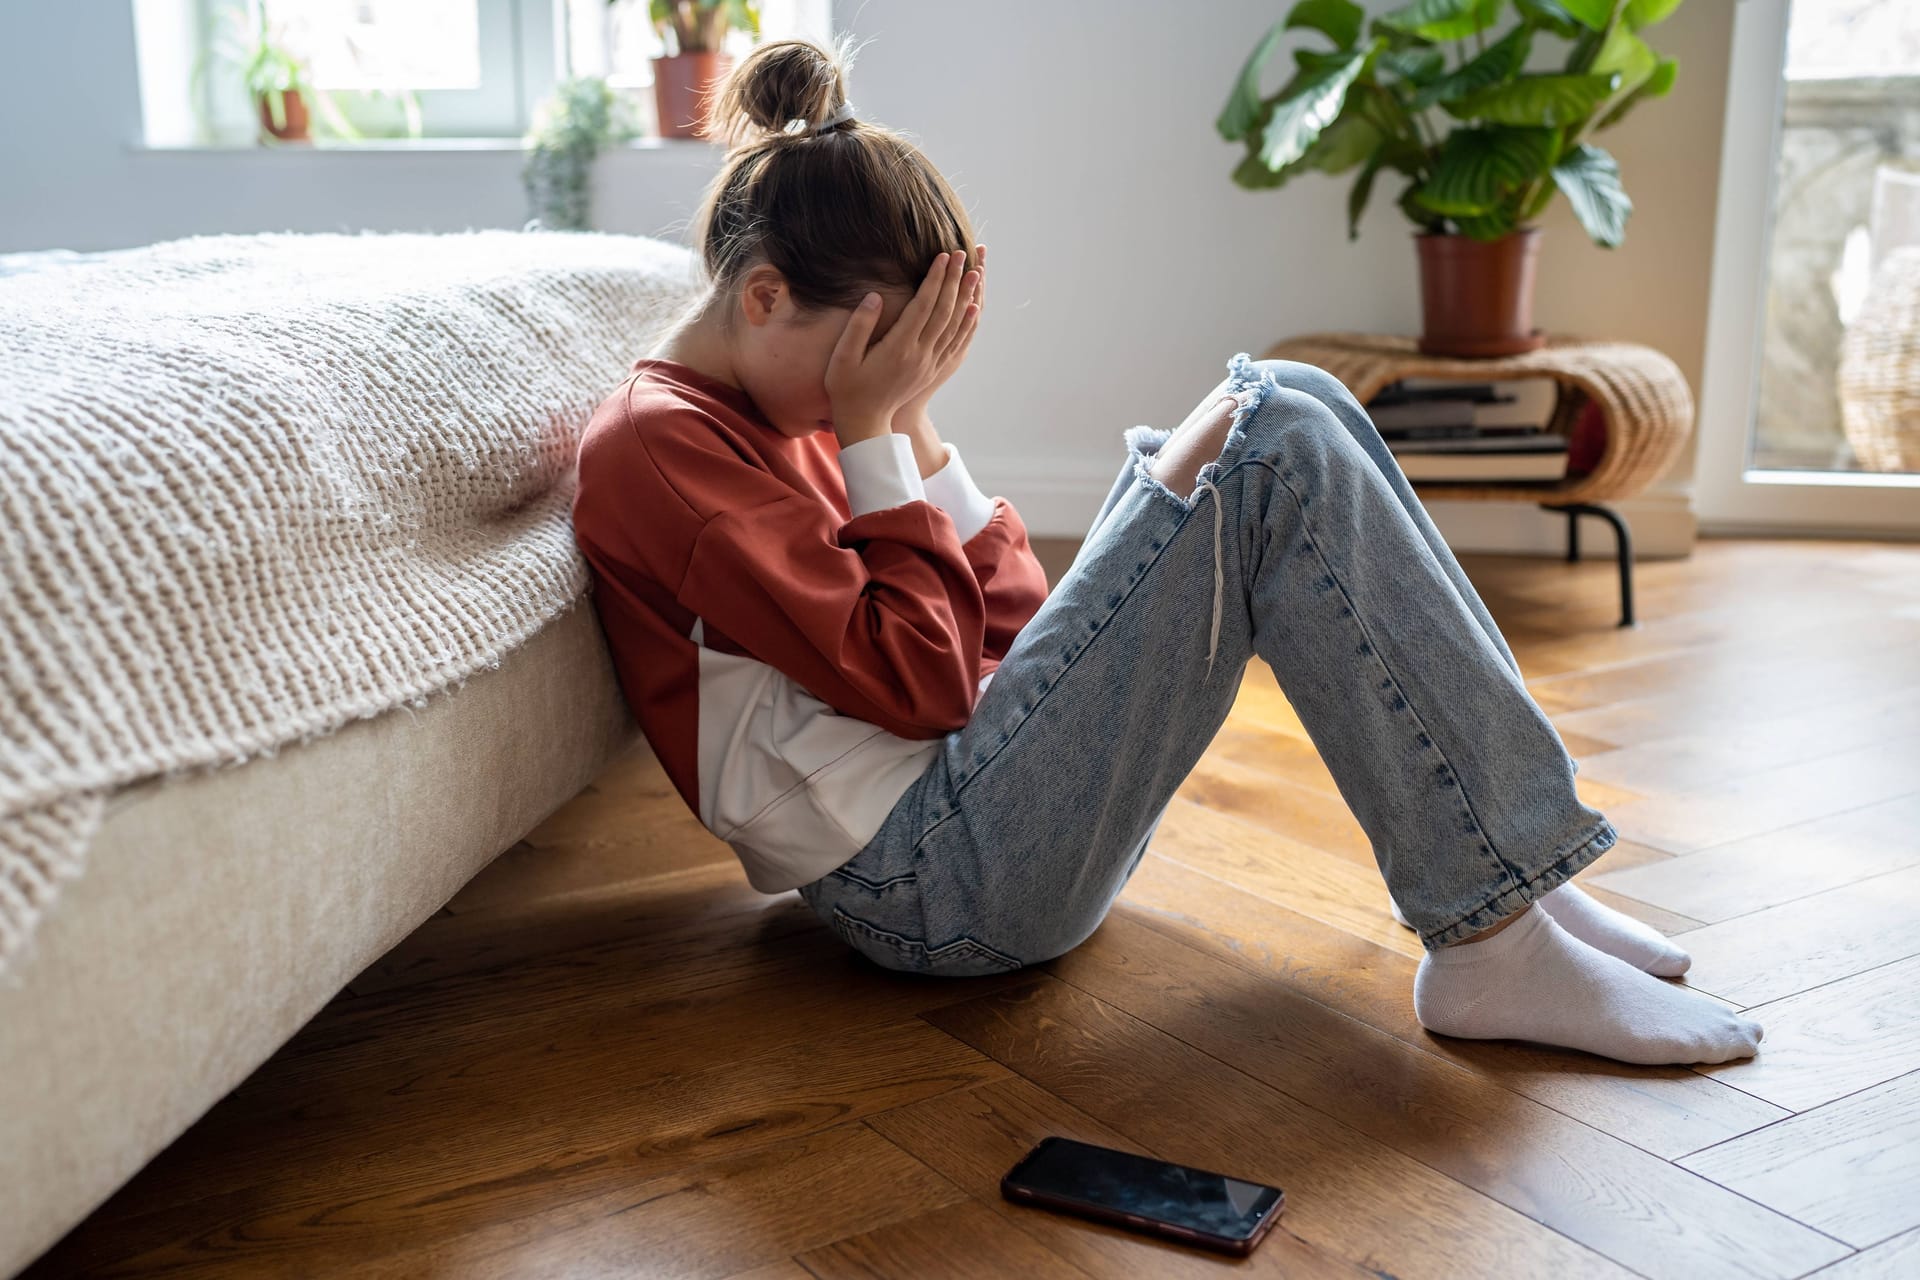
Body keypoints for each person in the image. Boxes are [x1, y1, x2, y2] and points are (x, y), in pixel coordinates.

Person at [570, 36, 1762, 1067]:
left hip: (970, 820)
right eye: (875, 353)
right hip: (924, 885)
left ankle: (1516, 879)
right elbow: (926, 683)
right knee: (1275, 438)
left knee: (1286, 399)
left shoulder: (798, 408)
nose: (870, 390)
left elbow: (1010, 627)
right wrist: (875, 429)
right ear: (765, 297)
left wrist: (913, 423)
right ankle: (1496, 937)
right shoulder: (668, 449)